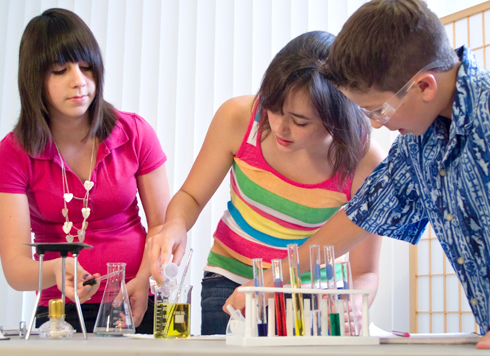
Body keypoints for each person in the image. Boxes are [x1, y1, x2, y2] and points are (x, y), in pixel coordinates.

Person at [244, 0, 490, 349]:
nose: (376, 123)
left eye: (378, 109)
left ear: (424, 87)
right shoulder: (420, 142)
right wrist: (273, 278)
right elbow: (365, 213)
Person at [147, 31, 385, 335]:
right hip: (231, 281)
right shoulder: (239, 118)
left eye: (300, 121)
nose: (279, 127)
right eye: (272, 108)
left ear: (336, 116)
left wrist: (355, 304)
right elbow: (191, 196)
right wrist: (174, 226)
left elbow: (366, 272)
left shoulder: (363, 162)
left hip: (313, 296)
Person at [0, 8, 170, 333]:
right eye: (60, 70)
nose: (79, 82)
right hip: (58, 314)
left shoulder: (135, 133)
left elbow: (163, 230)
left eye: (86, 68)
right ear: (35, 78)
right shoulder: (13, 152)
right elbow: (15, 269)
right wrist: (56, 270)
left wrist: (143, 279)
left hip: (135, 300)